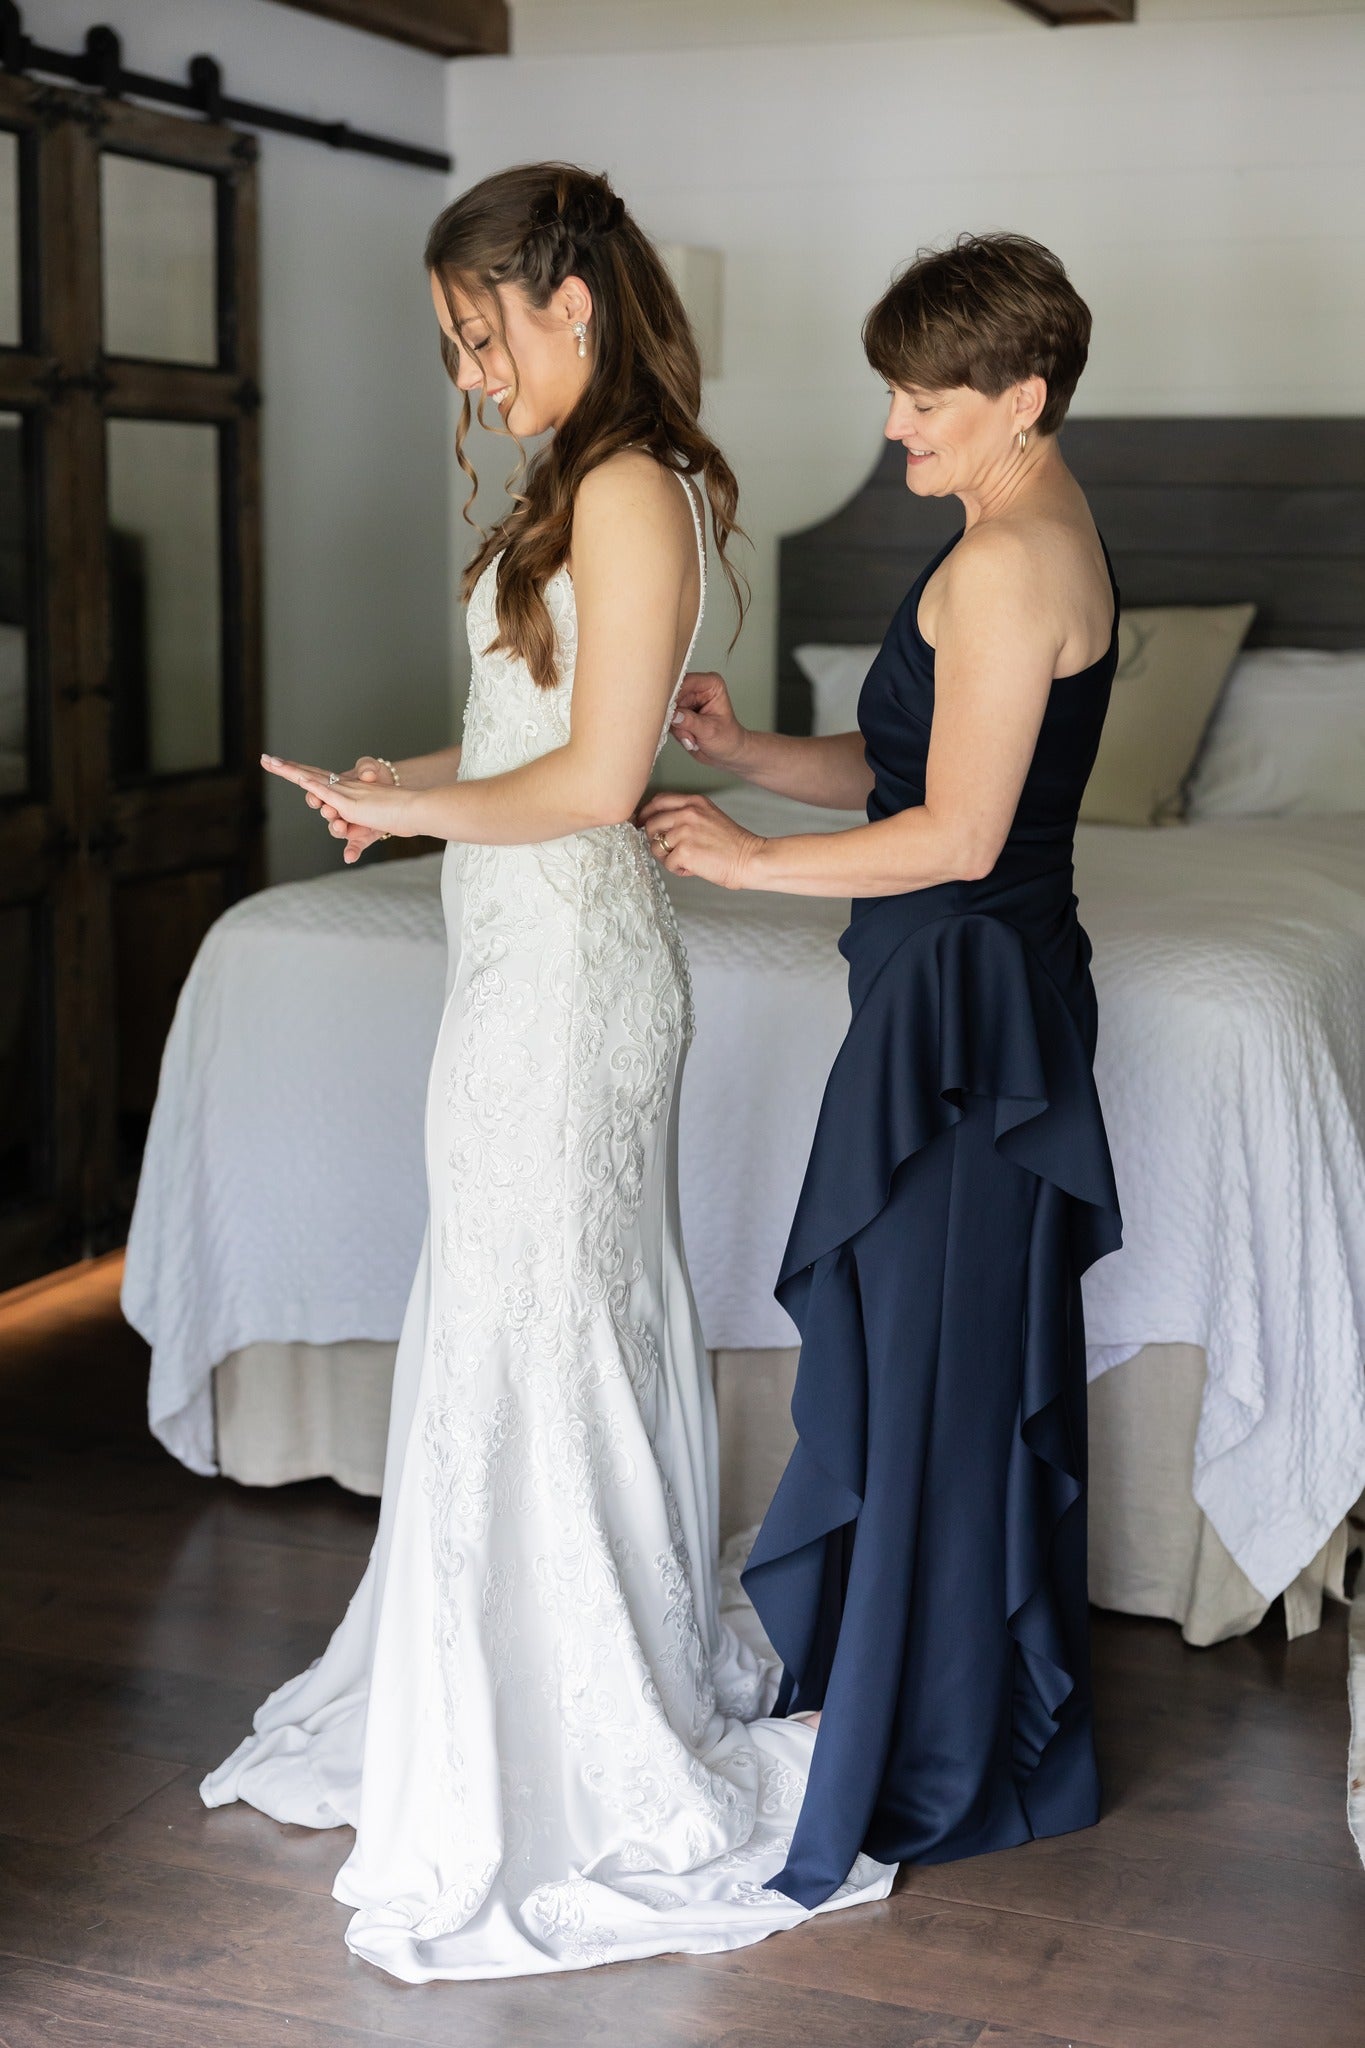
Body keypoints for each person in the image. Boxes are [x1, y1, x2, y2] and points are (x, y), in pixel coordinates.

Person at [200, 163, 894, 1981]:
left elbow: (595, 791)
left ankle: (576, 1718)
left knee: (549, 1321)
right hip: (507, 972)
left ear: (571, 305)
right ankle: (498, 1676)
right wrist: (401, 780)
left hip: (575, 988)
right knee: (505, 1314)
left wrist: (427, 809)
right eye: (452, 346)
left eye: (478, 334)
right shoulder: (572, 487)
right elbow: (534, 733)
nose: (469, 375)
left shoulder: (634, 488)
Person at [639, 231, 1124, 1909]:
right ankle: (934, 1699)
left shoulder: (1005, 563)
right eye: (894, 395)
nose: (896, 428)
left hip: (963, 1021)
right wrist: (756, 761)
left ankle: (925, 1750)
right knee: (934, 1368)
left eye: (924, 400)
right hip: (963, 995)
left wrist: (738, 863)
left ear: (1021, 398)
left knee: (931, 1377)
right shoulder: (1009, 529)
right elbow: (910, 760)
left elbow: (963, 829)